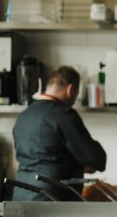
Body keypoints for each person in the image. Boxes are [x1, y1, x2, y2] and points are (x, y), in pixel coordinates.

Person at [12, 66, 107, 201]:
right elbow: (96, 158)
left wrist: (77, 163)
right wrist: (85, 163)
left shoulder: (24, 116)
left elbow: (43, 155)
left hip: (21, 196)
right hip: (53, 200)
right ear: (70, 89)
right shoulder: (63, 115)